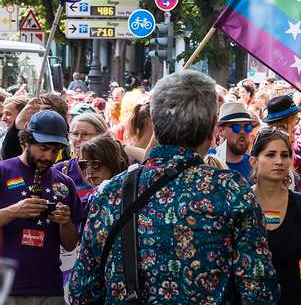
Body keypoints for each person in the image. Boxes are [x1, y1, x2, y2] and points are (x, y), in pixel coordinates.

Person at [69, 70, 280, 304]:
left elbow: (82, 291)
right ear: (212, 130)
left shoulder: (111, 194)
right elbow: (259, 291)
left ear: (155, 127)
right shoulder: (230, 190)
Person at [0, 110, 84, 304]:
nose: (48, 156)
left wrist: (65, 223)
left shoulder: (65, 183)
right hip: (7, 287)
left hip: (50, 288)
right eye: (43, 148)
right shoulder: (3, 171)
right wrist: (15, 211)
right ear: (26, 141)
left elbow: (71, 244)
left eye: (55, 151)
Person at [251, 128, 301, 305]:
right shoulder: (239, 203)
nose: (279, 161)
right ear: (254, 162)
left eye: (285, 155)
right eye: (270, 155)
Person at [55, 111, 109, 200]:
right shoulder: (61, 168)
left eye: (85, 134)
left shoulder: (111, 167)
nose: (79, 139)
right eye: (75, 134)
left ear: (101, 136)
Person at [217, 102, 255, 180]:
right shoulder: (210, 160)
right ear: (221, 131)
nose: (243, 132)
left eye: (247, 127)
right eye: (236, 127)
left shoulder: (253, 164)